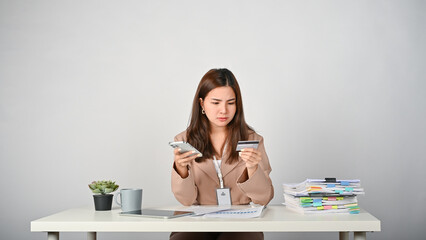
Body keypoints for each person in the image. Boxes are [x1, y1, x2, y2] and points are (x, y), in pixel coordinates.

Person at [170, 68, 274, 240]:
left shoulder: (252, 139)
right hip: (197, 220)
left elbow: (264, 198)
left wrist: (252, 168)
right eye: (216, 102)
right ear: (202, 104)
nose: (224, 111)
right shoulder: (184, 140)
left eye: (230, 103)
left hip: (241, 222)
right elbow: (186, 200)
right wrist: (181, 169)